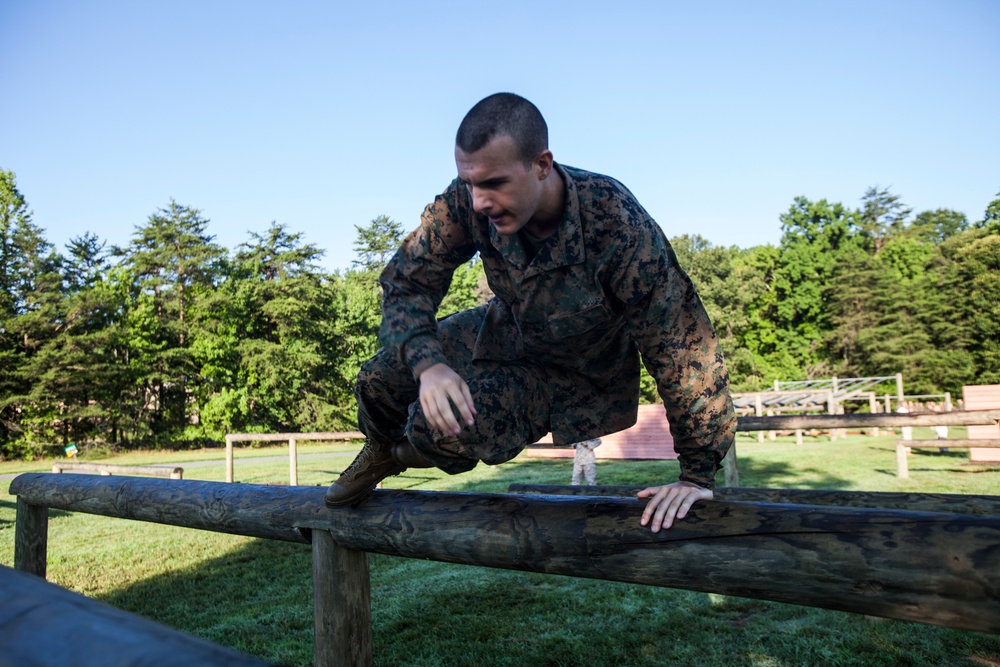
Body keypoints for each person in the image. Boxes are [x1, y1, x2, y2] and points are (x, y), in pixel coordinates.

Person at [325, 93, 737, 532]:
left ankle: (404, 453)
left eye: (495, 183)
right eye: (469, 183)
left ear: (542, 165)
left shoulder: (615, 222)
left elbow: (680, 342)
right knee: (378, 380)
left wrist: (696, 472)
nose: (480, 200)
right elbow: (408, 280)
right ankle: (383, 449)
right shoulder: (468, 202)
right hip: (505, 329)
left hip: (574, 371)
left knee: (440, 428)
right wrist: (429, 367)